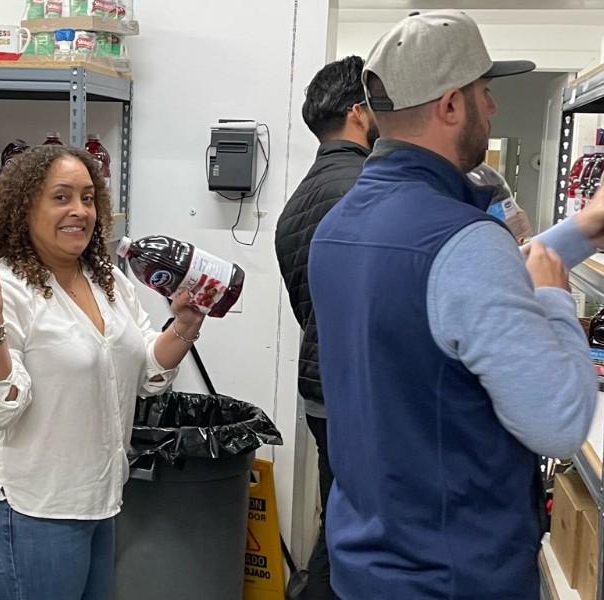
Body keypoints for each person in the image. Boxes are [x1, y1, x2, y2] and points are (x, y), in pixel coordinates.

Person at [306, 11, 604, 598]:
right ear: (451, 105)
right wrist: (556, 300)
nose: (494, 107)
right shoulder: (463, 241)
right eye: (486, 92)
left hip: (368, 562)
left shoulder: (338, 229)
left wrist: (580, 233)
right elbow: (558, 423)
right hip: (456, 573)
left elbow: (452, 293)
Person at [0, 145, 207, 600]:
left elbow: (145, 370)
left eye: (88, 198)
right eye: (62, 197)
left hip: (97, 497)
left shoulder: (107, 279)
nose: (80, 211)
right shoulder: (2, 290)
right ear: (24, 208)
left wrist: (185, 326)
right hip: (31, 507)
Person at [273, 54, 377, 600]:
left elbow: (306, 304)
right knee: (355, 535)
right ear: (359, 112)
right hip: (355, 393)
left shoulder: (297, 201)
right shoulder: (364, 190)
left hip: (320, 392)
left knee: (339, 519)